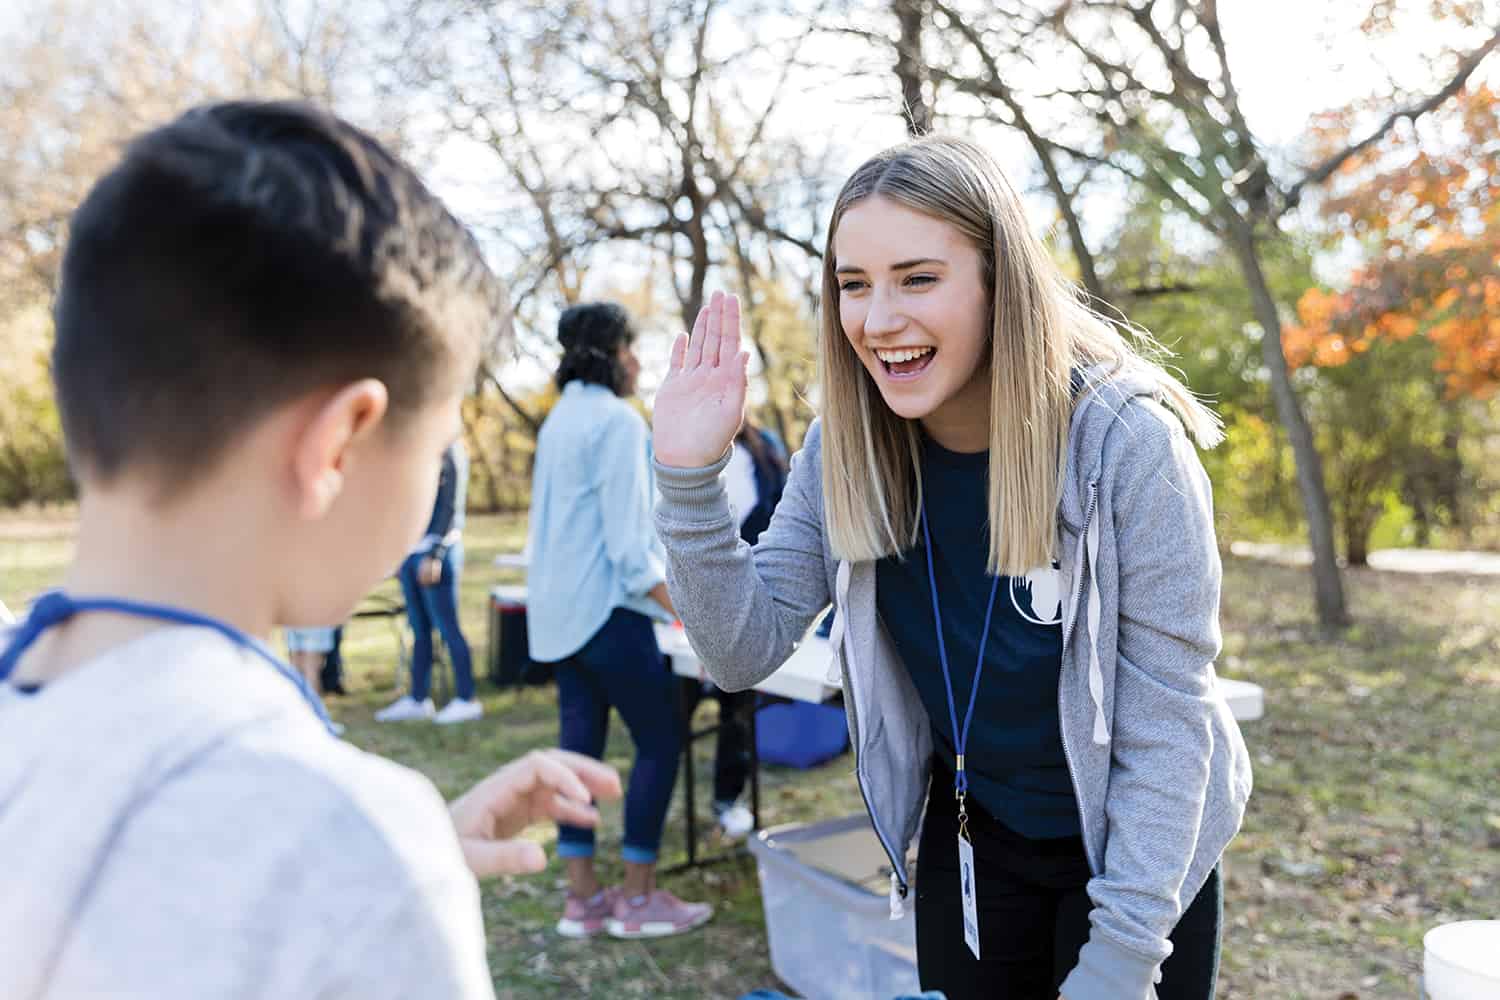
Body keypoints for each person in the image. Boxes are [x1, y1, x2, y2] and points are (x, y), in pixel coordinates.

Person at [0, 101, 623, 999]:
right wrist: (377, 875)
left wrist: (400, 863)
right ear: (341, 442)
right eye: (435, 438)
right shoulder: (345, 842)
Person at [651, 136, 1253, 1000]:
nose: (878, 318)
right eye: (853, 285)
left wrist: (1121, 957)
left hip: (1138, 857)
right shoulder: (842, 451)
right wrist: (687, 479)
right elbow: (739, 650)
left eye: (917, 278)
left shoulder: (1125, 445)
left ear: (999, 282)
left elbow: (1170, 718)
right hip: (975, 836)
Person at [526, 301, 713, 940]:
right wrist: (689, 610)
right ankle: (637, 899)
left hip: (558, 621)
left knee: (578, 756)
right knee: (661, 741)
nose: (640, 360)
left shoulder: (558, 423)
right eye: (634, 347)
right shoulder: (617, 422)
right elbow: (631, 552)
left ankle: (583, 902)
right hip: (608, 615)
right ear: (614, 353)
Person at [682, 417, 789, 838]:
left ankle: (728, 800)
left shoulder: (765, 447)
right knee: (677, 716)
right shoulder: (683, 448)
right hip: (692, 604)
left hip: (752, 597)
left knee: (737, 709)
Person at [377, 440, 481, 724]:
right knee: (419, 629)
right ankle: (418, 698)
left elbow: (451, 506)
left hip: (437, 553)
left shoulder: (453, 448)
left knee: (448, 628)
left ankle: (466, 698)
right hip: (413, 552)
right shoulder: (423, 445)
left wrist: (435, 553)